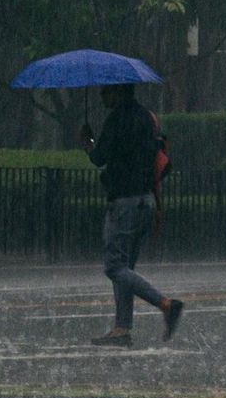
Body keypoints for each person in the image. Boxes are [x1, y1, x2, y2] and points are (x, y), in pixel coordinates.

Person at [78, 84, 183, 347]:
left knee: (114, 267)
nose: (102, 96)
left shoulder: (118, 120)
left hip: (124, 202)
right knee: (125, 267)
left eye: (106, 92)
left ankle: (166, 304)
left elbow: (99, 158)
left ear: (119, 92)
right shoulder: (148, 118)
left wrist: (88, 145)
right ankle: (122, 329)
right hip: (146, 200)